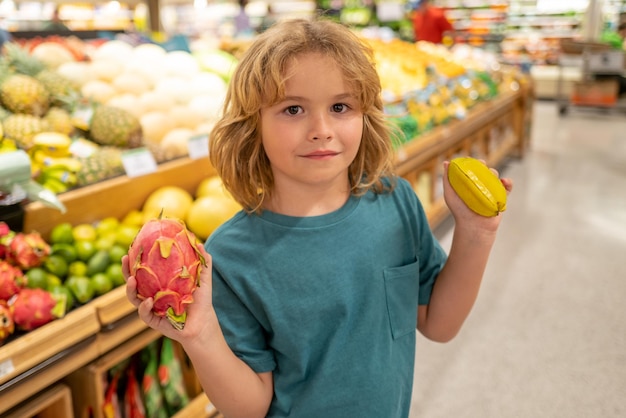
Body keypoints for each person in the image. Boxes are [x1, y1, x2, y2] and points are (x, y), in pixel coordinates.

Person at [123, 18, 513, 418]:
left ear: (367, 115)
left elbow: (438, 323)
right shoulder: (228, 257)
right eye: (293, 109)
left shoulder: (396, 204)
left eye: (340, 107)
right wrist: (200, 336)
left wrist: (476, 233)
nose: (321, 129)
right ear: (251, 126)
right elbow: (251, 405)